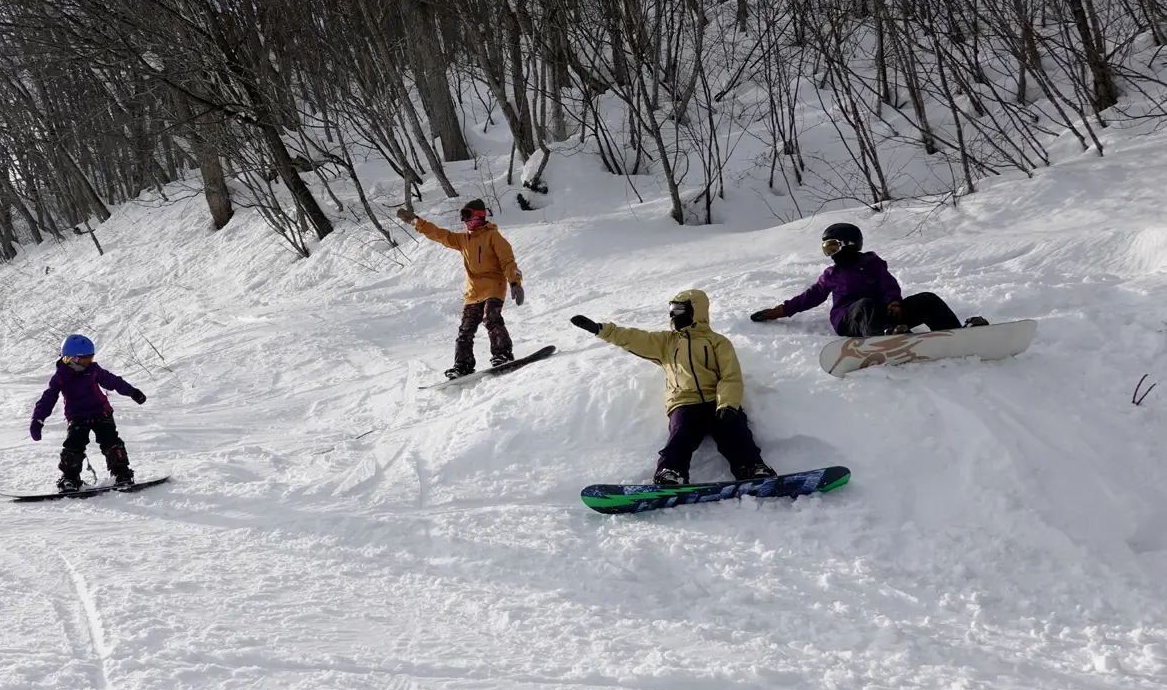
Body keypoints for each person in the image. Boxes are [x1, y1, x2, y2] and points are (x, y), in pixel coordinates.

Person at [571, 289, 776, 486]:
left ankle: (751, 467)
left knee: (734, 430)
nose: (673, 314)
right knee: (681, 433)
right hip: (684, 401)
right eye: (672, 309)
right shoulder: (666, 342)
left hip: (716, 400)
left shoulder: (717, 342)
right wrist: (601, 330)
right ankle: (671, 472)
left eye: (679, 309)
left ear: (695, 310)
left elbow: (730, 376)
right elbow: (634, 338)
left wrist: (728, 405)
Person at [749, 222, 988, 337]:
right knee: (865, 304)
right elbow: (808, 298)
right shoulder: (831, 275)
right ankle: (884, 337)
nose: (829, 253)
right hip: (849, 321)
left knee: (927, 299)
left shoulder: (872, 264)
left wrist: (894, 303)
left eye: (832, 246)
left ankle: (958, 334)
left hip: (884, 316)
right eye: (826, 248)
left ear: (848, 244)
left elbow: (888, 285)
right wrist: (777, 312)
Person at [397, 198, 524, 378]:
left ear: (480, 216)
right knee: (465, 329)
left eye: (467, 216)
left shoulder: (493, 237)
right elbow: (439, 234)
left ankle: (502, 354)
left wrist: (515, 282)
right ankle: (462, 366)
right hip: (474, 292)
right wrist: (416, 222)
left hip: (493, 287)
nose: (464, 221)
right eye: (462, 216)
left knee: (491, 319)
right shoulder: (463, 239)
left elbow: (508, 261)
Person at [30, 333, 147, 491]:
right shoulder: (60, 378)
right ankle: (70, 478)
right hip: (77, 416)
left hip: (101, 412)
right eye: (84, 360)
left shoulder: (93, 370)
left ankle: (121, 473)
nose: (88, 363)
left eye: (90, 359)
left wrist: (132, 392)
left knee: (110, 441)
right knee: (73, 445)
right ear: (71, 359)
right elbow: (47, 399)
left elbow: (113, 381)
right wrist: (38, 420)